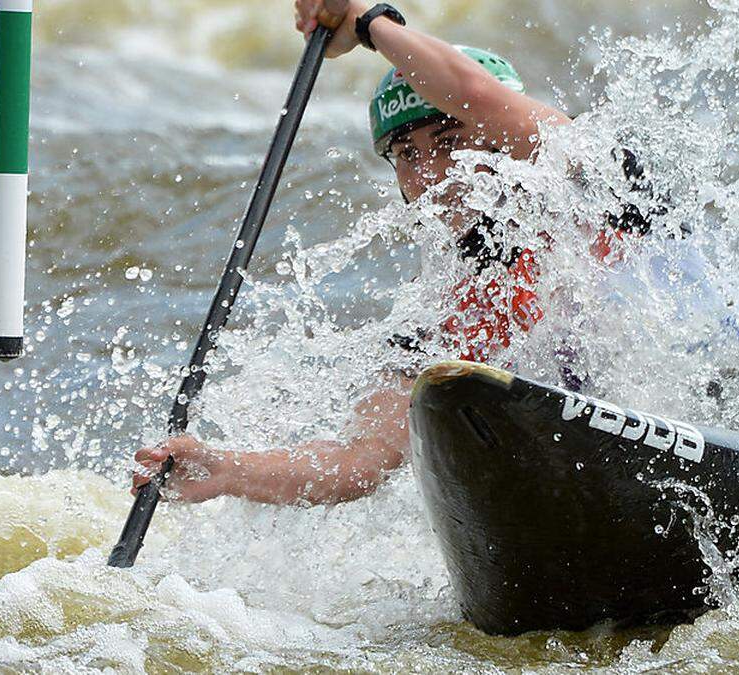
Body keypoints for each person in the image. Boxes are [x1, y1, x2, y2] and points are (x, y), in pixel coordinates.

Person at [133, 0, 645, 504]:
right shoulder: (445, 311)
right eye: (406, 155)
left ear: (499, 134)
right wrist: (224, 470)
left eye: (449, 141)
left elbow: (474, 94)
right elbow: (358, 462)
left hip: (716, 402)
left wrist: (369, 21)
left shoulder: (592, 176)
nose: (431, 175)